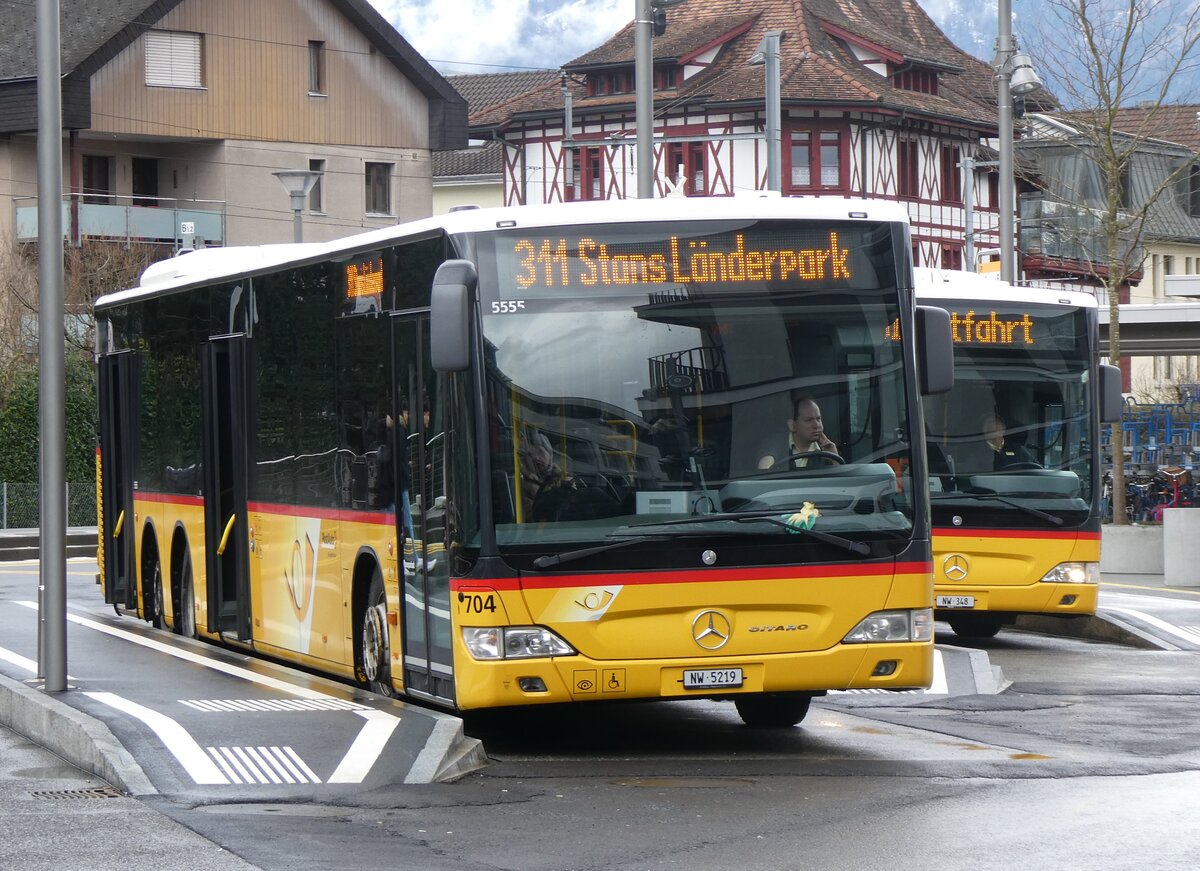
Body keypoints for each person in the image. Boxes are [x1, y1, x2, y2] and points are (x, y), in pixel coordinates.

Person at [759, 396, 840, 469]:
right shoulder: (776, 443)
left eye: (818, 419)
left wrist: (834, 458)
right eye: (809, 420)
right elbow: (765, 468)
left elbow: (839, 482)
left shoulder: (826, 449)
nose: (817, 425)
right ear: (792, 425)